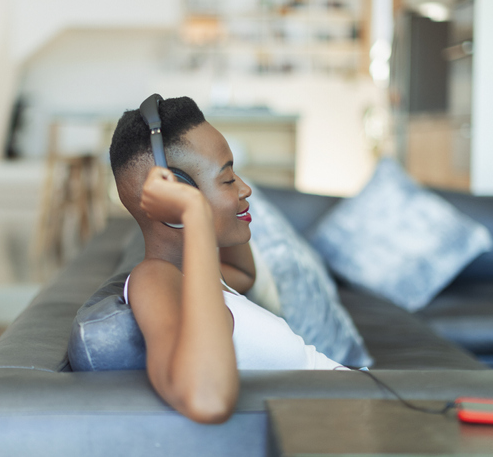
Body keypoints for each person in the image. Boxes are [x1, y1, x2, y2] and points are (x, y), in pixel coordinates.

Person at [109, 96, 347, 424]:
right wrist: (194, 214)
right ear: (177, 192)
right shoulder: (154, 279)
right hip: (355, 412)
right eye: (227, 179)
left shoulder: (191, 276)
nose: (245, 189)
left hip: (360, 400)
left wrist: (207, 222)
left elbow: (242, 273)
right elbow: (206, 400)